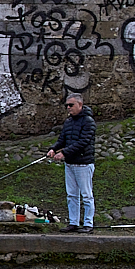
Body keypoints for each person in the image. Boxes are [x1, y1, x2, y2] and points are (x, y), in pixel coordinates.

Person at [48, 93, 97, 232]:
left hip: (83, 163)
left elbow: (83, 142)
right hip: (70, 164)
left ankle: (88, 224)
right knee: (71, 195)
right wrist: (53, 149)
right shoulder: (68, 122)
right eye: (67, 105)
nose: (68, 108)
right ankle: (73, 222)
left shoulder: (88, 121)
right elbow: (62, 139)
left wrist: (64, 153)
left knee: (86, 195)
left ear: (80, 105)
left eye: (71, 105)